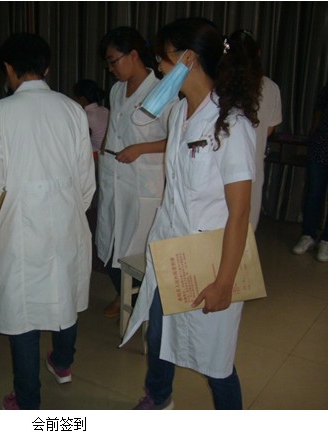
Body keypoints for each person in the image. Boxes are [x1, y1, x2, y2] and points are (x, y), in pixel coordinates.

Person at [122, 17, 260, 410]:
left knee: (215, 360)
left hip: (212, 256)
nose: (158, 67)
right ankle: (159, 396)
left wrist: (224, 282)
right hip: (171, 248)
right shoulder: (178, 112)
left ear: (188, 59)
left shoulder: (231, 125)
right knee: (158, 334)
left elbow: (240, 213)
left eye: (163, 59)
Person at [0, 33, 95, 410]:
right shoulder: (72, 110)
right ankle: (63, 363)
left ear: (8, 69)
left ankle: (28, 401)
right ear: (47, 68)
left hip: (17, 228)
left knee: (22, 312)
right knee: (64, 293)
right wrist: (69, 213)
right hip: (66, 220)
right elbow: (86, 180)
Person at [96, 27, 173, 319]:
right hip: (115, 177)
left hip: (143, 184)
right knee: (109, 244)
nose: (111, 69)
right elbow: (112, 130)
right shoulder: (117, 90)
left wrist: (141, 148)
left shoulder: (162, 92)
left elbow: (175, 140)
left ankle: (142, 303)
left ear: (134, 55)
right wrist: (102, 163)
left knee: (135, 250)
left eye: (113, 61)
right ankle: (124, 293)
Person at [228, 29, 282, 231]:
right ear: (258, 53)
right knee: (245, 227)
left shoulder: (219, 86)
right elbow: (269, 129)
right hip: (252, 168)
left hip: (221, 171)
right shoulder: (271, 88)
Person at [292, 75, 328, 262]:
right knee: (314, 193)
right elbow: (320, 104)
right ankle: (308, 235)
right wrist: (314, 130)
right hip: (322, 145)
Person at [73, 79, 110, 154]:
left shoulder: (85, 116)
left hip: (96, 153)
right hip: (108, 150)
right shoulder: (105, 110)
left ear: (82, 99)